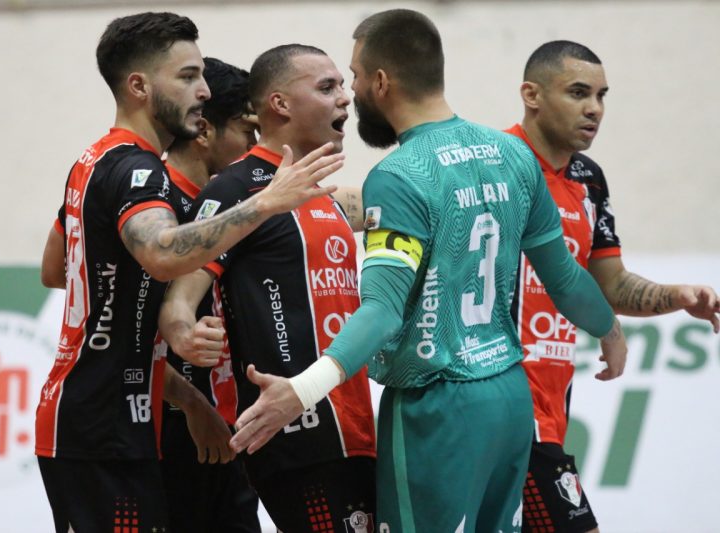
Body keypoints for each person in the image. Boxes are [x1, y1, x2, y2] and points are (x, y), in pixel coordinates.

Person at [228, 10, 628, 533]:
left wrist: (301, 391)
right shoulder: (513, 154)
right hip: (510, 397)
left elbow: (382, 312)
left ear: (380, 82)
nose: (350, 94)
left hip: (437, 405)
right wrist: (610, 329)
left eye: (352, 78)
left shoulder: (398, 175)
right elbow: (568, 279)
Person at [34, 12, 344, 533]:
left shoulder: (94, 159)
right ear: (138, 86)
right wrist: (265, 203)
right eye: (187, 77)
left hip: (107, 416)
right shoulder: (138, 169)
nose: (202, 91)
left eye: (201, 76)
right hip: (101, 422)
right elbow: (161, 252)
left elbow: (56, 265)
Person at [159, 44, 376, 533]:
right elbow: (179, 298)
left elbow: (399, 203)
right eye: (327, 87)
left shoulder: (327, 193)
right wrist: (184, 333)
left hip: (355, 423)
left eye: (344, 85)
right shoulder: (236, 189)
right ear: (279, 104)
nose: (345, 99)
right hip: (295, 433)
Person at [506, 40, 720, 533]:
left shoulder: (588, 179)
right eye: (579, 92)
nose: (594, 109)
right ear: (531, 94)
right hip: (507, 404)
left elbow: (610, 284)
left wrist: (675, 295)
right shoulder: (497, 162)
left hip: (554, 406)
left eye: (602, 95)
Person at [157, 57, 260, 533]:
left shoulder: (230, 202)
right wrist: (191, 404)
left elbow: (56, 262)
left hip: (221, 419)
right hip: (169, 426)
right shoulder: (155, 208)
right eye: (245, 130)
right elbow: (59, 272)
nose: (254, 147)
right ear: (204, 131)